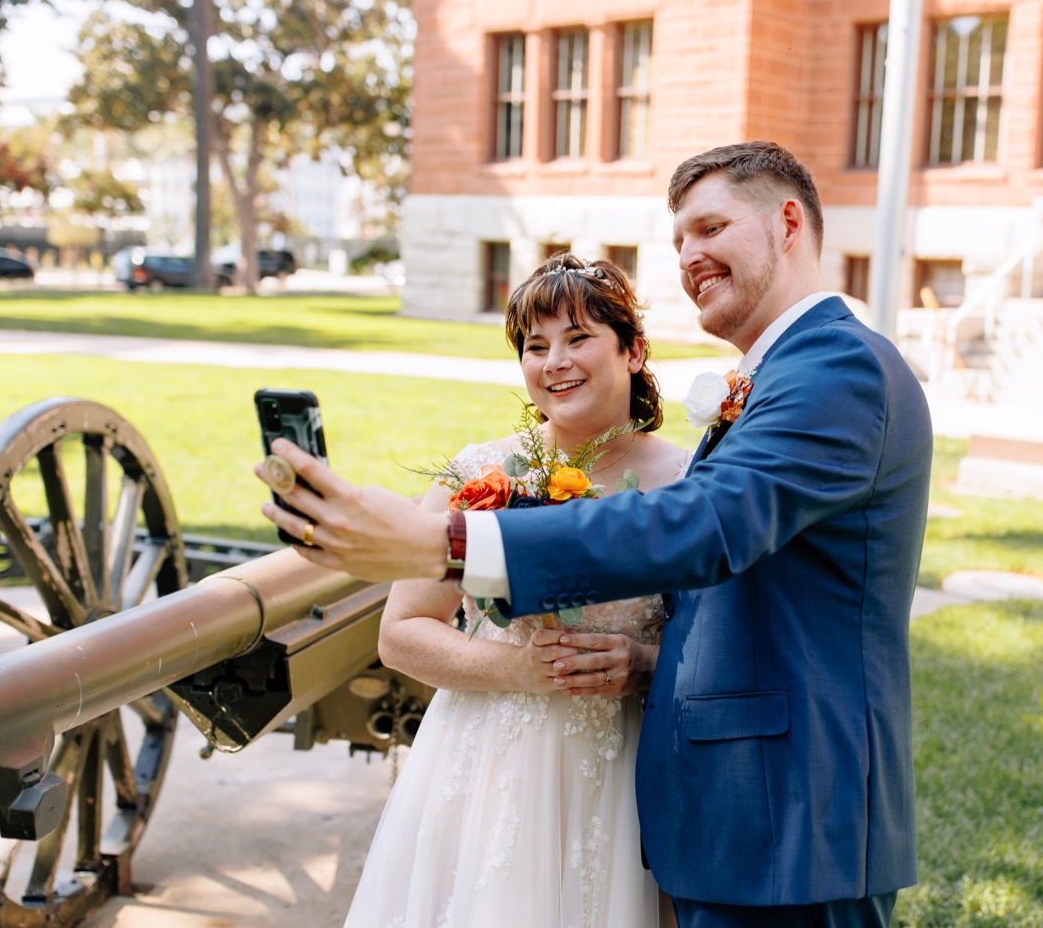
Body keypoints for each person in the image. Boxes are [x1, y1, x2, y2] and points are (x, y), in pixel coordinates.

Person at [260, 142, 934, 928]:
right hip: (736, 816)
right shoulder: (785, 373)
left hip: (787, 821)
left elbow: (703, 523)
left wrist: (453, 543)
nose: (689, 257)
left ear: (788, 222)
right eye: (679, 239)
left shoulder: (834, 370)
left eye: (711, 227)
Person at [341, 254, 689, 928]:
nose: (554, 360)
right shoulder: (480, 470)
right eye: (536, 345)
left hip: (624, 769)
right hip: (486, 765)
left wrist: (644, 666)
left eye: (578, 337)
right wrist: (521, 669)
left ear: (635, 349)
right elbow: (401, 632)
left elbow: (716, 639)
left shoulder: (689, 480)